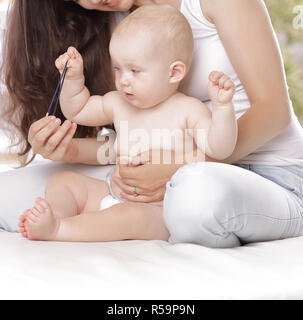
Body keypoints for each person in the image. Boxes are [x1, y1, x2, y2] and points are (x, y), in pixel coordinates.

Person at [1, 0, 303, 247]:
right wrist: (63, 148)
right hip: (153, 175)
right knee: (7, 192)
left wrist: (174, 168)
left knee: (194, 194)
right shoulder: (114, 21)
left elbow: (274, 112)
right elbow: (127, 138)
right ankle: (68, 228)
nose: (92, 2)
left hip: (266, 172)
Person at [18, 5, 237, 241]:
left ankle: (59, 231)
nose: (123, 81)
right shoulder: (118, 102)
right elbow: (78, 110)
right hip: (115, 191)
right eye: (118, 69)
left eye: (134, 70)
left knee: (130, 215)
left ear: (174, 73)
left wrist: (223, 108)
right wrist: (73, 79)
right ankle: (59, 216)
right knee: (63, 181)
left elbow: (219, 148)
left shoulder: (188, 110)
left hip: (156, 209)